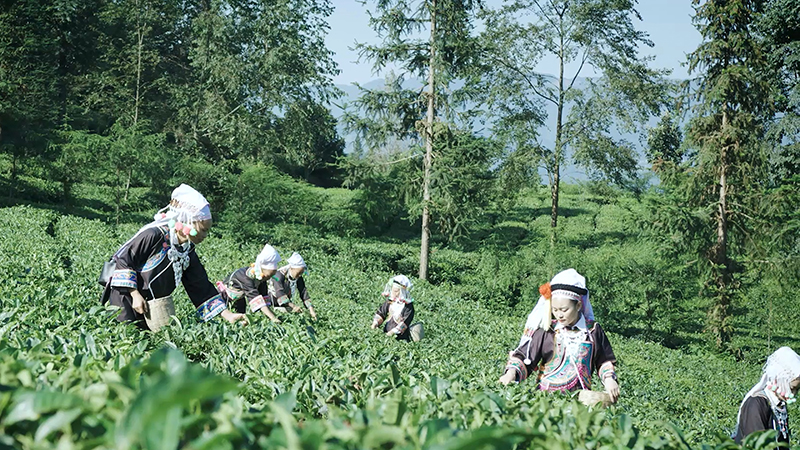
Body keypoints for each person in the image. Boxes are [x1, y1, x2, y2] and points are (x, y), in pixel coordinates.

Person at [102, 184, 248, 328]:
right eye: (203, 230)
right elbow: (123, 260)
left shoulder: (187, 251)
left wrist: (228, 315)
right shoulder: (154, 235)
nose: (205, 235)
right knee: (125, 335)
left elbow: (200, 287)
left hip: (152, 308)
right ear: (188, 221)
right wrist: (134, 295)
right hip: (125, 299)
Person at [498, 269, 620, 404]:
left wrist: (610, 379)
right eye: (555, 310)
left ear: (578, 305)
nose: (559, 315)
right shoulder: (547, 330)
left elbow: (604, 360)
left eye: (564, 310)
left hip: (579, 403)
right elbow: (525, 356)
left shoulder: (592, 331)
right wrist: (511, 373)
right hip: (545, 401)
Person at [732, 347, 800, 448]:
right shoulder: (756, 404)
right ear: (777, 379)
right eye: (792, 388)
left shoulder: (778, 404)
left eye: (797, 389)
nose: (793, 394)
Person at [216, 244, 284, 323]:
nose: (268, 279)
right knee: (222, 320)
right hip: (225, 297)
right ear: (261, 270)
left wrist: (274, 316)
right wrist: (273, 318)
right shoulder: (245, 278)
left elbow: (264, 299)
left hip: (239, 299)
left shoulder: (261, 279)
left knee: (242, 320)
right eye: (268, 276)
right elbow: (256, 299)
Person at [268, 252, 318, 321]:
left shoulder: (298, 277)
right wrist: (293, 306)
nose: (300, 275)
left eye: (301, 273)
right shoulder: (278, 276)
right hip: (272, 302)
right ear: (291, 268)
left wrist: (311, 310)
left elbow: (303, 292)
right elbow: (279, 293)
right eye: (298, 273)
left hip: (287, 303)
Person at [371, 275, 415, 341]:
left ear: (402, 292)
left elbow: (404, 325)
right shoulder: (390, 301)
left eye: (395, 291)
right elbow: (381, 313)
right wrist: (375, 323)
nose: (393, 293)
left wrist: (391, 333)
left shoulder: (408, 307)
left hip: (400, 339)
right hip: (386, 335)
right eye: (393, 290)